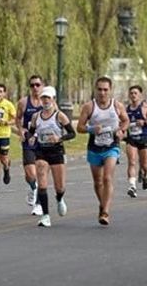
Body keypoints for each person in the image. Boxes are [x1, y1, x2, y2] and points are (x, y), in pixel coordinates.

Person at [76, 76, 128, 225]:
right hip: (94, 147)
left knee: (107, 178)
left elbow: (126, 121)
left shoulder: (117, 106)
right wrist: (91, 129)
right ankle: (102, 204)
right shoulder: (89, 107)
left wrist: (122, 131)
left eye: (105, 90)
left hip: (112, 146)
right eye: (99, 89)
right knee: (98, 182)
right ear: (95, 89)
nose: (102, 93)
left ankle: (105, 211)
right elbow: (79, 127)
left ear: (110, 90)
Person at [26, 86, 75, 227]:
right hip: (42, 151)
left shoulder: (59, 116)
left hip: (57, 152)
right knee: (41, 179)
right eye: (43, 98)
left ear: (53, 99)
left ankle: (59, 198)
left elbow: (72, 133)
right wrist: (31, 137)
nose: (45, 100)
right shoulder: (36, 117)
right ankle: (46, 216)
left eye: (48, 98)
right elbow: (31, 132)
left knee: (59, 186)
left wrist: (59, 138)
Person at [15, 75, 44, 215]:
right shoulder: (23, 102)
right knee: (30, 174)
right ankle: (33, 187)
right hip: (28, 140)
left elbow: (56, 118)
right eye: (32, 85)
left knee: (40, 172)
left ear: (42, 85)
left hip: (43, 141)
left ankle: (38, 204)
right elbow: (18, 119)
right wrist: (21, 131)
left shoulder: (48, 102)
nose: (35, 88)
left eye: (38, 85)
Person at [124, 85, 147, 196]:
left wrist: (145, 122)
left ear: (140, 95)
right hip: (131, 139)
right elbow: (121, 121)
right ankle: (132, 186)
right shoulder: (126, 109)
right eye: (131, 93)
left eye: (135, 93)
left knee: (144, 165)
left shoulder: (145, 107)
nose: (133, 95)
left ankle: (146, 174)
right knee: (132, 162)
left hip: (143, 138)